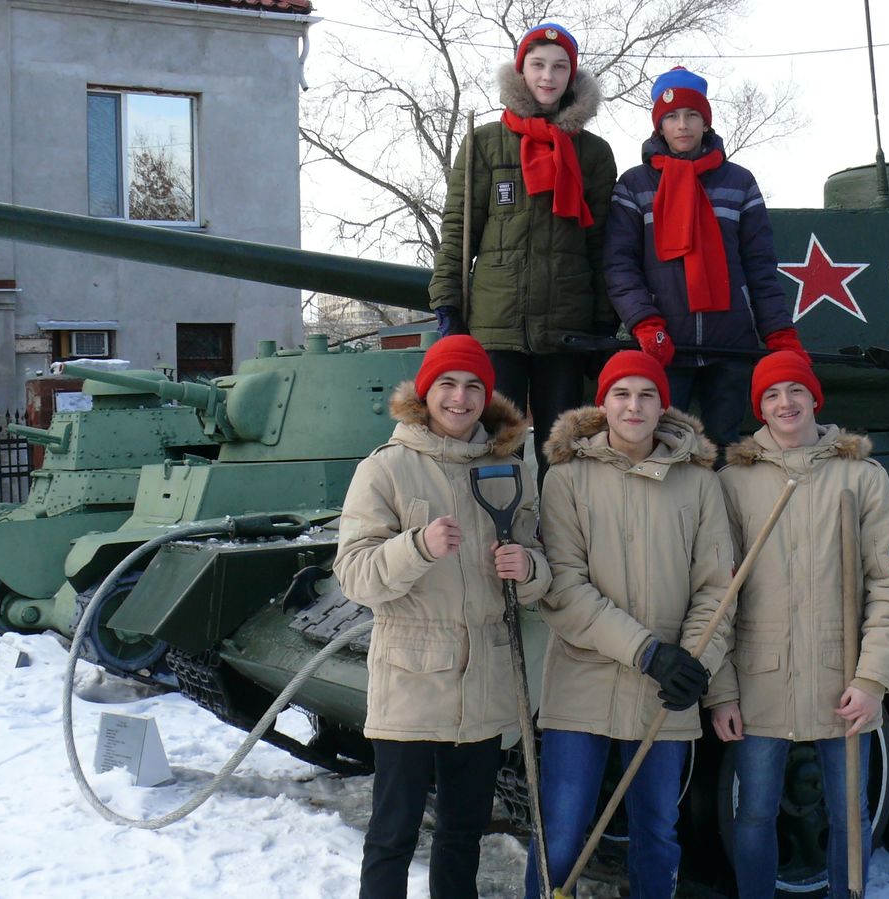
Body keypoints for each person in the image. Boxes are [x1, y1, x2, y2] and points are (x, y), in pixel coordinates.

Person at [332, 334, 553, 899]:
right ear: (426, 393)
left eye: (473, 386)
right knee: (393, 835)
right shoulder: (385, 469)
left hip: (484, 678)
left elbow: (541, 571)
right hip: (411, 677)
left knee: (463, 835)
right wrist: (417, 548)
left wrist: (525, 568)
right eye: (448, 385)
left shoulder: (509, 468)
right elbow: (355, 575)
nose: (460, 398)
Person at [707, 351, 889, 899]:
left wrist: (872, 681)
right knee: (753, 815)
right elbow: (717, 597)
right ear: (760, 407)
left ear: (814, 399)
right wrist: (722, 691)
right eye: (772, 395)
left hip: (839, 678)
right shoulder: (735, 482)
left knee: (850, 814)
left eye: (795, 391)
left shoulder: (862, 477)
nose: (785, 403)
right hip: (760, 680)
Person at [528, 350, 734, 898]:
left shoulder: (698, 484)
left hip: (666, 690)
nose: (634, 406)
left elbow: (718, 588)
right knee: (562, 838)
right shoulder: (566, 479)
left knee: (657, 835)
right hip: (583, 682)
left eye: (646, 395)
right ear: (603, 403)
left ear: (663, 405)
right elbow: (563, 587)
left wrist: (695, 660)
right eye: (621, 394)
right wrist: (647, 652)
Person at [428, 22, 618, 483]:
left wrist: (603, 321)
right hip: (496, 324)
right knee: (495, 443)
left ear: (571, 77)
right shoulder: (484, 144)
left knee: (563, 449)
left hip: (566, 327)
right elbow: (458, 232)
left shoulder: (592, 153)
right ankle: (498, 541)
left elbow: (603, 245)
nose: (547, 77)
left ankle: (560, 545)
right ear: (522, 71)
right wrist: (448, 305)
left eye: (559, 67)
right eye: (538, 65)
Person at [605, 66, 808, 455]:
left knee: (725, 449)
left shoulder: (739, 182)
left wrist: (779, 333)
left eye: (692, 115)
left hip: (731, 347)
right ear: (658, 126)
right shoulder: (634, 185)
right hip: (667, 347)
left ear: (705, 121)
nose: (683, 125)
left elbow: (760, 266)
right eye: (672, 117)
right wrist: (645, 323)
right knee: (664, 449)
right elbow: (619, 264)